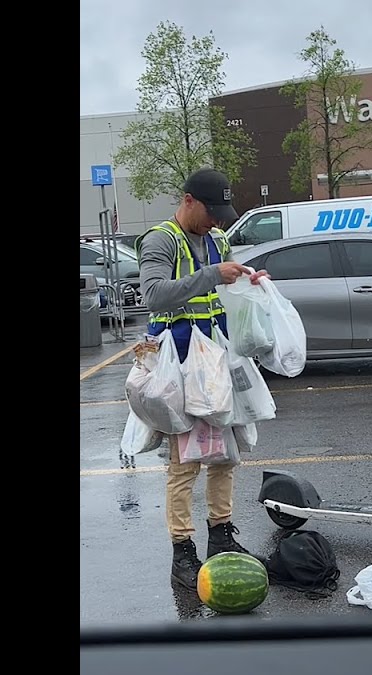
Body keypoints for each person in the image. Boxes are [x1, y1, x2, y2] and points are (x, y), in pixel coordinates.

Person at [136, 167, 270, 589]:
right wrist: (214, 275)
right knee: (185, 462)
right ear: (189, 200)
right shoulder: (162, 239)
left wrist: (249, 282)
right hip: (177, 362)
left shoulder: (217, 238)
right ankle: (182, 551)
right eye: (211, 211)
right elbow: (153, 294)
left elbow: (224, 291)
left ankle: (222, 537)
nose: (217, 221)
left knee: (226, 453)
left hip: (215, 360)